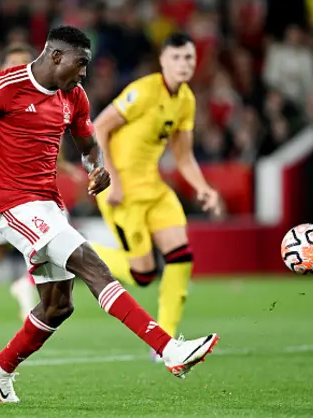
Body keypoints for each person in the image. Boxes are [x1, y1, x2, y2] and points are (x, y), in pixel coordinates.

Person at [0, 26, 218, 403]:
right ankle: (169, 349)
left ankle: (0, 368)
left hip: (47, 202)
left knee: (58, 306)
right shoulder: (4, 86)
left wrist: (95, 168)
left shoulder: (74, 96)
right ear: (56, 56)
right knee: (92, 264)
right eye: (80, 63)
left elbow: (88, 144)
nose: (84, 72)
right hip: (11, 203)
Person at [90, 32, 221, 362]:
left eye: (189, 58)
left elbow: (184, 156)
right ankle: (81, 253)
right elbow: (99, 127)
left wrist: (203, 187)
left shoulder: (186, 100)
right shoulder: (143, 91)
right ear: (163, 61)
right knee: (143, 275)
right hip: (120, 192)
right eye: (176, 58)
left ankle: (164, 344)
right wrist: (113, 180)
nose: (183, 64)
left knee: (181, 255)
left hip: (154, 189)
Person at [0, 43, 85, 349]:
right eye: (11, 64)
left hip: (39, 194)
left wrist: (68, 168)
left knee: (53, 242)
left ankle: (25, 288)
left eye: (22, 63)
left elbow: (52, 148)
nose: (17, 69)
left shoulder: (49, 97)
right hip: (3, 195)